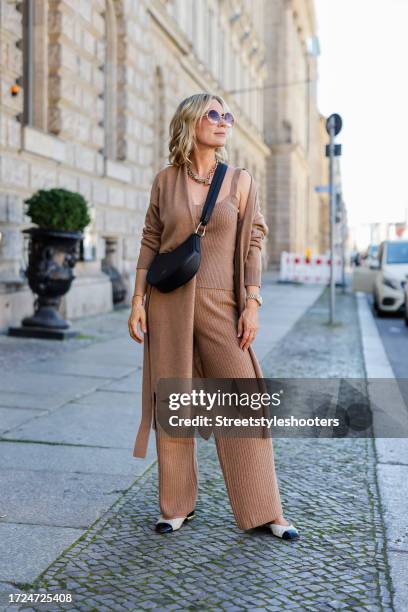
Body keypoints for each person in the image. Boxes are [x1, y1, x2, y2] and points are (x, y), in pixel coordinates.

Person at [128, 93, 299, 541]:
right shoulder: (166, 181)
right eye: (214, 115)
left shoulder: (240, 181)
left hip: (222, 304)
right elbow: (150, 239)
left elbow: (255, 240)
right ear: (190, 122)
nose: (224, 122)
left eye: (228, 116)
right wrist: (137, 299)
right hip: (170, 304)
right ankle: (175, 505)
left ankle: (266, 510)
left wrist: (253, 302)